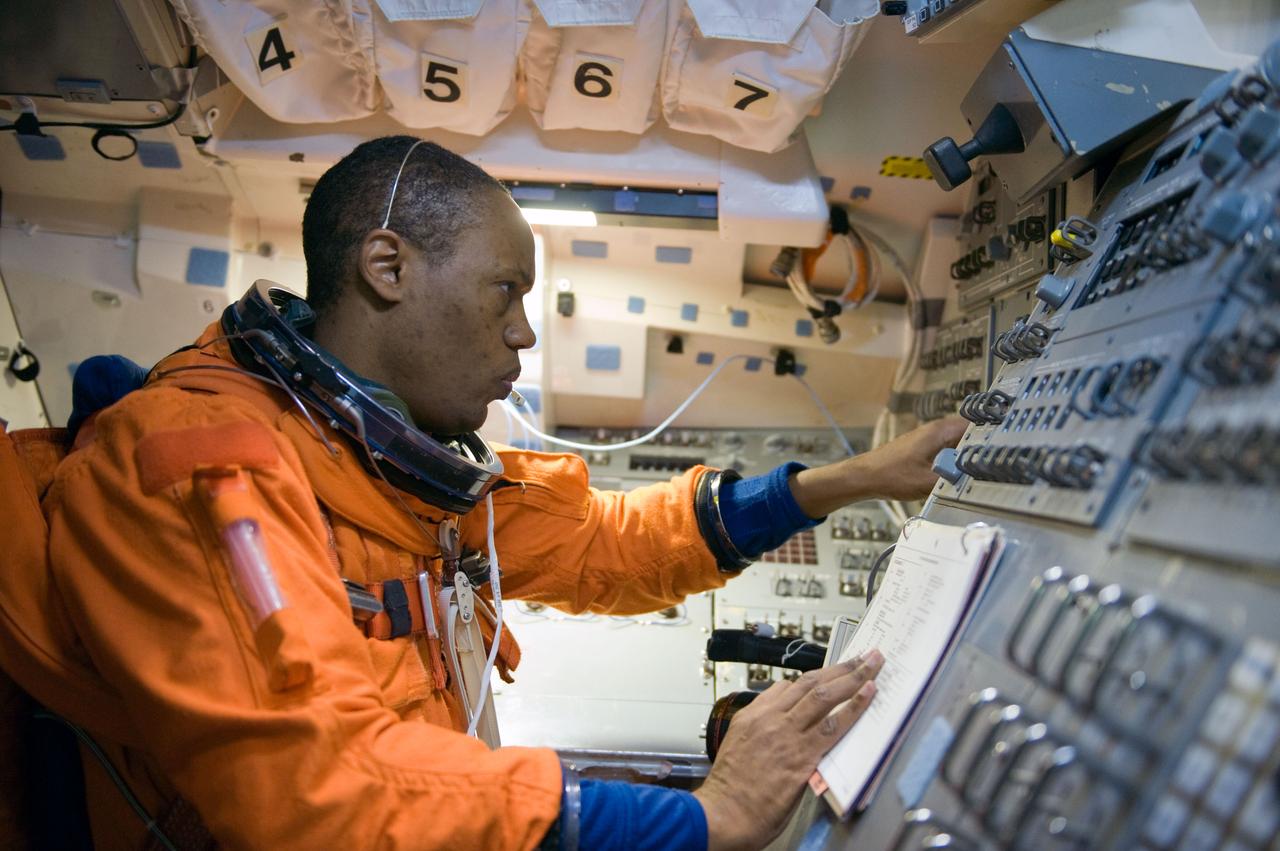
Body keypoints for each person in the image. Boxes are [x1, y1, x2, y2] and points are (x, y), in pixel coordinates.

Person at [26, 136, 964, 850]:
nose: (522, 333)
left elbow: (606, 544)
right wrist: (705, 820)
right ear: (387, 268)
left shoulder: (393, 458)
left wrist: (853, 479)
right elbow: (316, 787)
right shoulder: (200, 467)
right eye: (504, 291)